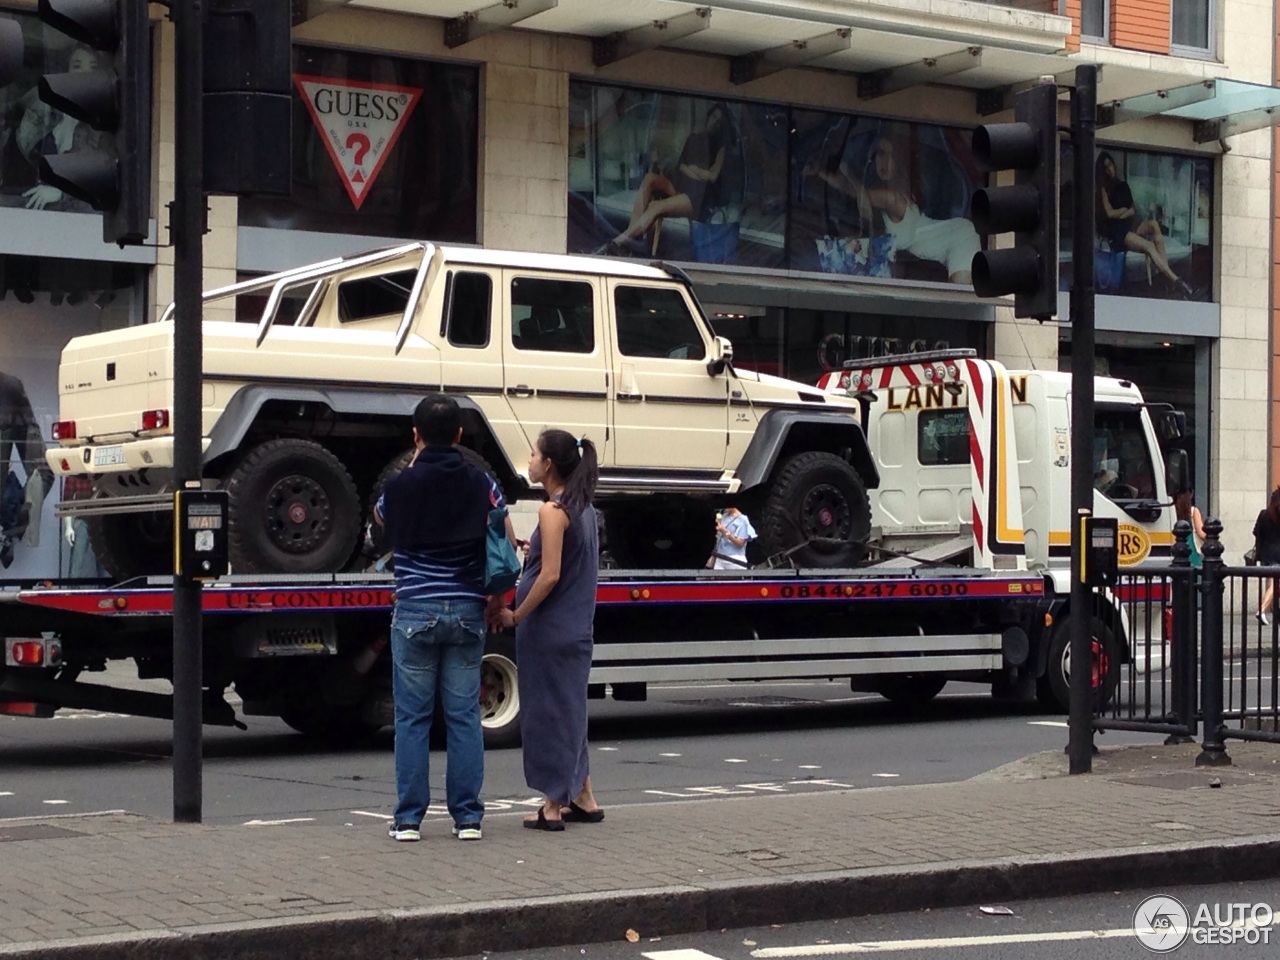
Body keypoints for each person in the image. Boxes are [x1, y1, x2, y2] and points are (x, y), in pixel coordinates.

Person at [373, 394, 506, 843]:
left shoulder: (399, 485)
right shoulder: (481, 482)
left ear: (415, 435)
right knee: (464, 716)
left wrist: (414, 462)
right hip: (468, 609)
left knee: (412, 719)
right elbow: (501, 528)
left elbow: (380, 520)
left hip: (414, 611)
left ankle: (409, 819)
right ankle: (467, 818)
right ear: (459, 435)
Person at [490, 429, 603, 831]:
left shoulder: (552, 511)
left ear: (550, 464)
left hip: (549, 629)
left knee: (550, 716)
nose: (530, 459)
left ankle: (552, 805)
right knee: (571, 712)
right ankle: (584, 797)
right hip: (575, 628)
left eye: (535, 453)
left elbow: (550, 574)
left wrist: (516, 615)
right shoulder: (584, 508)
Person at [804, 130, 980, 284]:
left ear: (900, 160)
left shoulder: (893, 198)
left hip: (959, 235)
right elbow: (853, 192)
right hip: (933, 249)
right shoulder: (884, 194)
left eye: (891, 155)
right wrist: (824, 173)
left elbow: (854, 192)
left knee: (962, 292)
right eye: (880, 153)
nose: (884, 162)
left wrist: (842, 173)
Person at [602, 102, 737, 256]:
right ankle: (633, 239)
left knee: (655, 206)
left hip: (697, 197)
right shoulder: (694, 138)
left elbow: (712, 176)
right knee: (649, 179)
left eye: (719, 121)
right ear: (708, 117)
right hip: (682, 185)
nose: (714, 122)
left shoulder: (721, 148)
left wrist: (693, 170)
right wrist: (691, 170)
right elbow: (681, 166)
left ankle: (619, 241)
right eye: (713, 117)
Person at [1096, 151, 1193, 299]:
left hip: (1128, 226)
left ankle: (1164, 274)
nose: (1109, 169)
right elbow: (1109, 213)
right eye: (1105, 167)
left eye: (1110, 164)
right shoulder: (1104, 189)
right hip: (1117, 232)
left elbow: (1132, 210)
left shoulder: (1122, 185)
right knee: (1149, 246)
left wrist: (1123, 212)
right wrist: (1123, 211)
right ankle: (1174, 280)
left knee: (1154, 224)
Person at [1252, 487, 1280, 625]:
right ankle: (1262, 609)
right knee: (1275, 584)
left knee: (1271, 583)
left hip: (1265, 552)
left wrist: (1259, 549)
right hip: (1278, 553)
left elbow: (1256, 532)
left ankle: (1272, 611)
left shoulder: (1264, 514)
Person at [710, 505, 756, 569]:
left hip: (735, 559)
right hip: (720, 557)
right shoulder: (724, 516)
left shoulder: (742, 519)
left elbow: (740, 543)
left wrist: (724, 531)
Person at [1174, 489, 1205, 568]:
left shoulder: (1174, 511)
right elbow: (1201, 533)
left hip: (1177, 546)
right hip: (1191, 548)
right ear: (1190, 495)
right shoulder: (1193, 511)